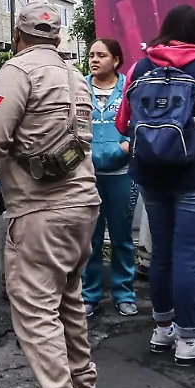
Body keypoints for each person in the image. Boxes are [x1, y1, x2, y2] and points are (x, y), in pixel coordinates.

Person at [0, 4, 100, 388]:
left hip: (42, 211)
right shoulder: (75, 75)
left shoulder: (18, 71)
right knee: (68, 300)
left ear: (18, 36)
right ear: (57, 38)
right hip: (83, 206)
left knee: (35, 311)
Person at [117, 4, 195, 367]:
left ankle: (162, 329)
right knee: (188, 257)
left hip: (150, 172)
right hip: (194, 172)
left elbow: (124, 123)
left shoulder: (138, 68)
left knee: (162, 254)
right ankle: (189, 338)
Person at [81, 38, 139, 317]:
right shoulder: (79, 87)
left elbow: (140, 122)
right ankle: (90, 293)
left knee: (121, 237)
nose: (94, 60)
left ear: (116, 60)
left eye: (101, 55)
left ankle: (124, 292)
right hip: (86, 176)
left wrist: (127, 146)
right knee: (89, 238)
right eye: (91, 55)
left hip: (122, 174)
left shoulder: (130, 88)